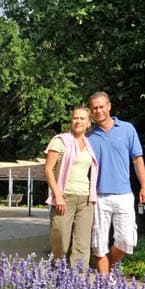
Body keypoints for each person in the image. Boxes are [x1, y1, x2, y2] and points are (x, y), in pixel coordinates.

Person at [86, 91, 145, 275]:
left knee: (127, 241)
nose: (98, 110)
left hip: (124, 194)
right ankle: (104, 284)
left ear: (109, 106)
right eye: (94, 108)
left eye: (101, 106)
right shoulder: (88, 136)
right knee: (99, 244)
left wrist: (144, 186)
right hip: (98, 196)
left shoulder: (127, 129)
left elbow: (137, 159)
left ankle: (106, 268)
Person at [44, 105, 99, 269]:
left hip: (86, 200)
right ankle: (57, 270)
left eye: (82, 118)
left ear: (89, 123)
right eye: (75, 118)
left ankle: (78, 279)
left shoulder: (89, 144)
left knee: (82, 244)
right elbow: (48, 170)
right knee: (60, 240)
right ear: (71, 120)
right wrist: (58, 195)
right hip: (65, 197)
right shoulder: (60, 141)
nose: (78, 121)